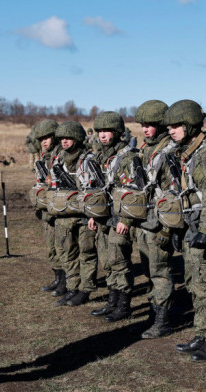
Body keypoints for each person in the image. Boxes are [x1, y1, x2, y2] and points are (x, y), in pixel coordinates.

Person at [166, 99, 206, 361]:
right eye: (169, 126)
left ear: (190, 124)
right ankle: (201, 332)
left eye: (176, 125)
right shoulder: (189, 151)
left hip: (203, 228)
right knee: (194, 283)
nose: (171, 130)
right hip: (191, 225)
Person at [87, 111, 139, 322]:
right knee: (107, 261)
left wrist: (126, 220)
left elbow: (134, 190)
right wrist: (92, 215)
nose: (102, 135)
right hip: (103, 216)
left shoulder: (128, 157)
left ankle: (124, 305)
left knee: (119, 261)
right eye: (99, 131)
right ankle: (112, 301)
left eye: (107, 131)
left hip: (119, 217)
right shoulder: (101, 155)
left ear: (117, 132)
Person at [132, 100, 178, 338]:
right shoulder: (146, 149)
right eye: (143, 125)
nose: (145, 129)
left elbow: (173, 192)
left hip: (160, 222)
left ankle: (163, 320)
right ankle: (155, 312)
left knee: (160, 271)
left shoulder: (169, 151)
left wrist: (167, 228)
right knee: (149, 270)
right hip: (145, 219)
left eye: (150, 125)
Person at [52, 121, 99, 307]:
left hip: (85, 214)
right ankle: (72, 287)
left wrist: (93, 215)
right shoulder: (58, 160)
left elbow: (97, 190)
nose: (64, 141)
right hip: (64, 214)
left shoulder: (89, 160)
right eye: (62, 138)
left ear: (77, 139)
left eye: (68, 138)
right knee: (67, 253)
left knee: (86, 253)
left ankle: (85, 289)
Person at [34, 120, 69, 298]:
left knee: (62, 245)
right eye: (41, 139)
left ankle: (66, 281)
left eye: (47, 137)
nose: (44, 141)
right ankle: (58, 277)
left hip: (59, 206)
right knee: (51, 246)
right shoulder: (44, 156)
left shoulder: (61, 155)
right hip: (47, 207)